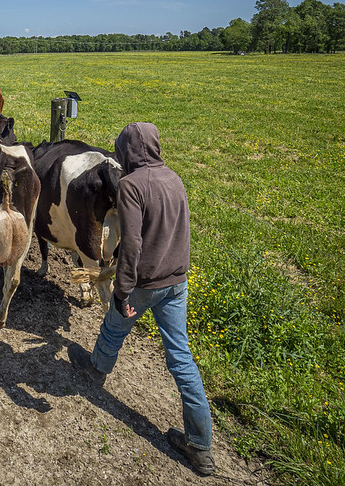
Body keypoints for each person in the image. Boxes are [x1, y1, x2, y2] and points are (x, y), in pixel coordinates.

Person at [69, 122, 215, 476]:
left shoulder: (132, 186)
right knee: (181, 358)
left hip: (145, 283)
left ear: (128, 151)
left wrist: (122, 292)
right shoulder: (175, 179)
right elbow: (183, 229)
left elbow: (131, 245)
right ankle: (200, 444)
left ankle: (98, 368)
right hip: (177, 281)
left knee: (114, 327)